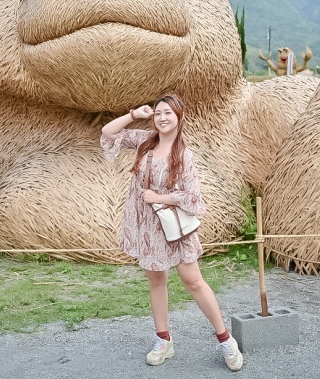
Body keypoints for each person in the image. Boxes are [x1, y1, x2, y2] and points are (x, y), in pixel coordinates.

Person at [101, 94, 243, 372]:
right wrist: (133, 114)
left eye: (168, 113)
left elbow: (193, 198)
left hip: (174, 225)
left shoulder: (184, 154)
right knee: (156, 279)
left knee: (192, 280)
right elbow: (108, 132)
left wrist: (159, 197)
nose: (162, 117)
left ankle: (225, 339)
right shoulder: (145, 140)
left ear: (179, 116)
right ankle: (163, 340)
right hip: (148, 224)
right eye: (157, 113)